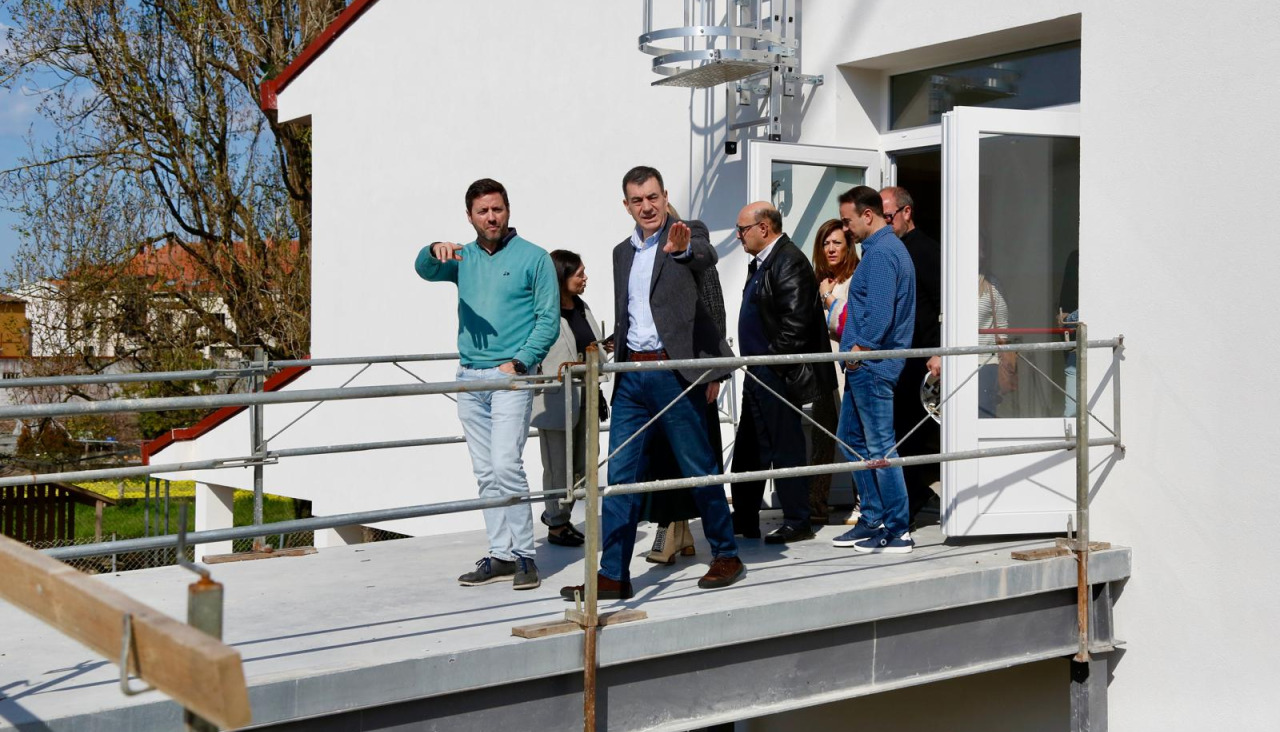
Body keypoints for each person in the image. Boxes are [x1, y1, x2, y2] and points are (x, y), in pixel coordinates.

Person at [560, 165, 743, 601]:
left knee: (698, 468)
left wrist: (681, 250)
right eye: (638, 200)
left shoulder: (687, 233)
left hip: (673, 373)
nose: (647, 207)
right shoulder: (620, 252)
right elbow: (628, 311)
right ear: (626, 206)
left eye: (653, 197)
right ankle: (612, 574)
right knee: (620, 478)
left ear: (664, 196)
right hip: (631, 377)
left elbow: (704, 255)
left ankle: (726, 553)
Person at [415, 178, 559, 590]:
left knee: (505, 465)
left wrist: (520, 362)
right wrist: (432, 249)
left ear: (508, 210)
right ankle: (500, 554)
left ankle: (525, 556)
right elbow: (424, 270)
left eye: (497, 209)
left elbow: (548, 319)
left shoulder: (535, 258)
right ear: (470, 216)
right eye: (483, 211)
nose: (491, 217)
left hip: (509, 378)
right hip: (468, 378)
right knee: (484, 471)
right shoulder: (463, 258)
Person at [731, 202, 837, 543]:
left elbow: (795, 325)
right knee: (750, 447)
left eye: (742, 229)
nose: (738, 236)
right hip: (760, 370)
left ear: (764, 228)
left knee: (785, 444)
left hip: (776, 373)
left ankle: (797, 520)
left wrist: (770, 363)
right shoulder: (764, 262)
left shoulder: (788, 261)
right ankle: (744, 517)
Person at [639, 205, 728, 565]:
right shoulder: (641, 253)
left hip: (691, 373)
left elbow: (713, 310)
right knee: (661, 454)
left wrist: (713, 372)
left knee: (693, 456)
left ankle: (688, 534)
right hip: (655, 373)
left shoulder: (693, 248)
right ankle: (679, 530)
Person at [831, 185, 916, 554]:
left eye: (847, 221)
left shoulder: (881, 254)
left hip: (873, 366)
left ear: (868, 215)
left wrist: (859, 351)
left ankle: (897, 529)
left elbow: (879, 315)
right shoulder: (882, 250)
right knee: (851, 439)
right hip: (868, 365)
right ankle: (873, 518)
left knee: (880, 447)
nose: (845, 228)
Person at [529, 250, 604, 548]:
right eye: (579, 273)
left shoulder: (582, 307)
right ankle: (556, 523)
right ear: (562, 276)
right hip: (555, 397)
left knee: (586, 461)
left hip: (587, 394)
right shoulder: (540, 311)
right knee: (558, 465)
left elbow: (591, 344)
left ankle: (561, 516)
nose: (585, 278)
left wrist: (604, 347)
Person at [881, 187, 942, 523]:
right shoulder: (889, 250)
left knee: (913, 435)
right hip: (895, 358)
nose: (885, 224)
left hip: (922, 359)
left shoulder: (927, 251)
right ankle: (901, 502)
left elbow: (942, 303)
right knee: (896, 433)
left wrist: (938, 351)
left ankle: (911, 502)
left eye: (888, 216)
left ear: (907, 212)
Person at [811, 219, 858, 523]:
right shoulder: (818, 280)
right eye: (826, 243)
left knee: (854, 437)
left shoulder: (855, 279)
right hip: (823, 371)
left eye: (837, 243)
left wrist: (829, 298)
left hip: (849, 371)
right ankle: (815, 504)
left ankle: (862, 502)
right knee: (822, 436)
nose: (830, 249)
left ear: (848, 247)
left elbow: (850, 325)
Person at [977, 264, 1012, 419]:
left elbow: (1002, 325)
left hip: (985, 362)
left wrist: (1003, 359)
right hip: (956, 362)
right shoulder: (953, 282)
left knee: (984, 413)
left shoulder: (992, 284)